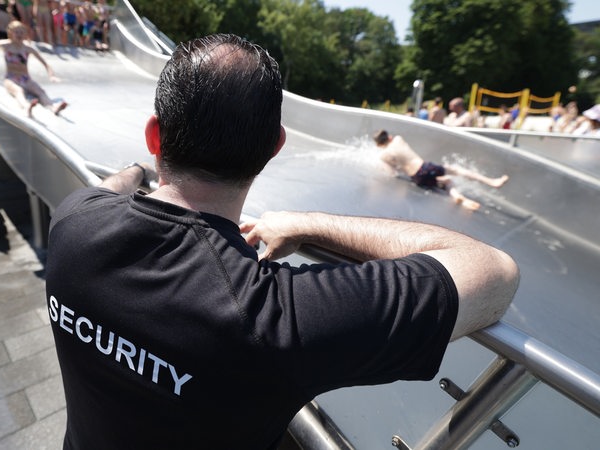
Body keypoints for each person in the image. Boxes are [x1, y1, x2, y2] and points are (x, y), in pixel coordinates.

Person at [45, 34, 519, 449]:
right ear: (275, 146)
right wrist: (312, 224)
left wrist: (137, 172)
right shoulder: (278, 317)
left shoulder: (73, 223)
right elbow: (494, 271)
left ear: (154, 135)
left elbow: (108, 188)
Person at [373, 130, 509, 210]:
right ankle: (492, 182)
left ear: (379, 144)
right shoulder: (397, 139)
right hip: (425, 167)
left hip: (416, 177)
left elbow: (394, 173)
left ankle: (457, 197)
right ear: (389, 137)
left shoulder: (383, 156)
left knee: (446, 182)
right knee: (456, 170)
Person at [0, 20, 67, 116]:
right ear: (11, 33)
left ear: (25, 34)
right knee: (18, 91)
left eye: (22, 32)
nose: (19, 34)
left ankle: (53, 107)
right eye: (17, 32)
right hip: (11, 77)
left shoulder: (28, 48)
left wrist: (51, 75)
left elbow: (45, 64)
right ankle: (26, 107)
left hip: (26, 78)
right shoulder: (5, 45)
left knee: (40, 91)